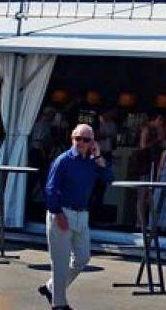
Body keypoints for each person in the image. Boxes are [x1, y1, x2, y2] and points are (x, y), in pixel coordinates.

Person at [39, 123, 114, 310]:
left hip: (82, 215)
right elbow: (50, 189)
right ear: (72, 139)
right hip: (63, 212)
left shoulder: (92, 161)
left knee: (82, 258)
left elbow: (109, 177)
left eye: (85, 139)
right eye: (77, 138)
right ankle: (59, 304)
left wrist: (97, 156)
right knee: (60, 262)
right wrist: (57, 213)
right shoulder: (63, 160)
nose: (80, 142)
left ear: (92, 142)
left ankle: (51, 288)